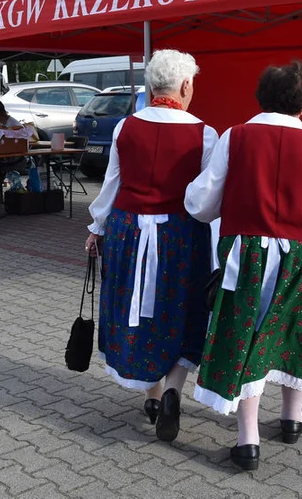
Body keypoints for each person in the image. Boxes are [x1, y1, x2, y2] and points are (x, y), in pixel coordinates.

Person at [185, 61, 302, 472]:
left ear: (260, 98)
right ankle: (292, 420)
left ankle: (248, 441)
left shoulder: (236, 137)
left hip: (248, 252)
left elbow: (202, 203)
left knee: (247, 334)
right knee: (295, 329)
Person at [83, 50, 219, 444]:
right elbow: (206, 199)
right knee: (182, 308)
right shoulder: (204, 133)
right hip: (182, 234)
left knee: (140, 310)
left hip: (129, 231)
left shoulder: (125, 127)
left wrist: (96, 227)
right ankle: (173, 388)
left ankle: (153, 395)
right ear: (185, 86)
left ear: (150, 86)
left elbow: (111, 185)